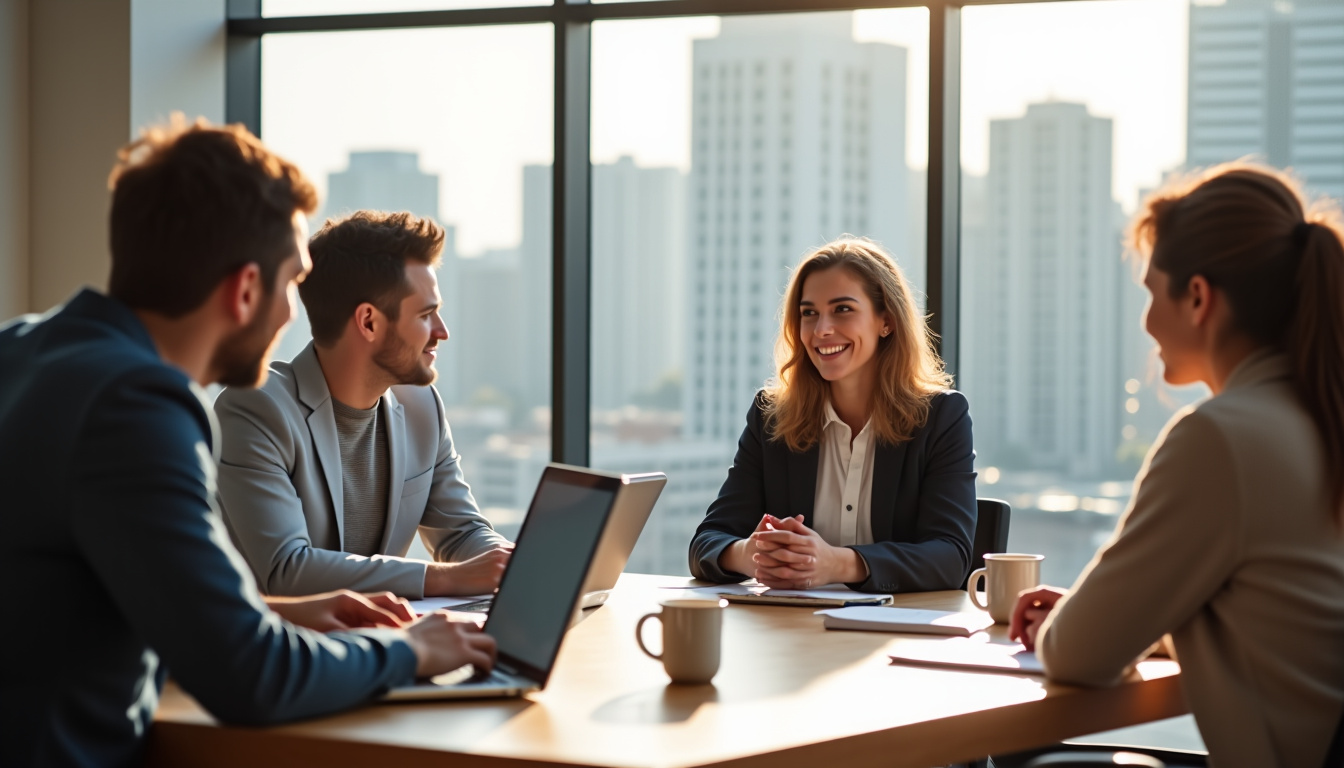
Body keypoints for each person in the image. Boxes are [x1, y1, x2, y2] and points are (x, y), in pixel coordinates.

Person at [0, 118, 495, 768]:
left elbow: (91, 593)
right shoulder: (136, 407)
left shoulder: (22, 351)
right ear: (244, 290)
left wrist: (282, 611)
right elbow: (251, 676)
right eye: (292, 281)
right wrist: (410, 649)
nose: (294, 311)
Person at [1009, 163, 1344, 768]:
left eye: (1150, 292)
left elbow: (1077, 656)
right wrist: (1116, 617)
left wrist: (1075, 624)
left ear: (1197, 297)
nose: (1145, 321)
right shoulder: (1320, 414)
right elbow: (1278, 614)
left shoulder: (1220, 439)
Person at [214, 210, 511, 599]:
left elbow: (463, 533)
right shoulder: (255, 409)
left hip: (385, 633)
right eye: (426, 314)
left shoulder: (422, 407)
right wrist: (444, 578)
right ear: (369, 322)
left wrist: (515, 564)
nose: (442, 332)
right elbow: (287, 569)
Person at [689, 237, 977, 593]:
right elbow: (707, 543)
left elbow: (950, 556)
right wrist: (752, 553)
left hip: (897, 623)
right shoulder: (771, 417)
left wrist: (835, 563)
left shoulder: (942, 417)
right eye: (809, 313)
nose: (821, 329)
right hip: (790, 622)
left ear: (886, 321)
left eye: (842, 309)